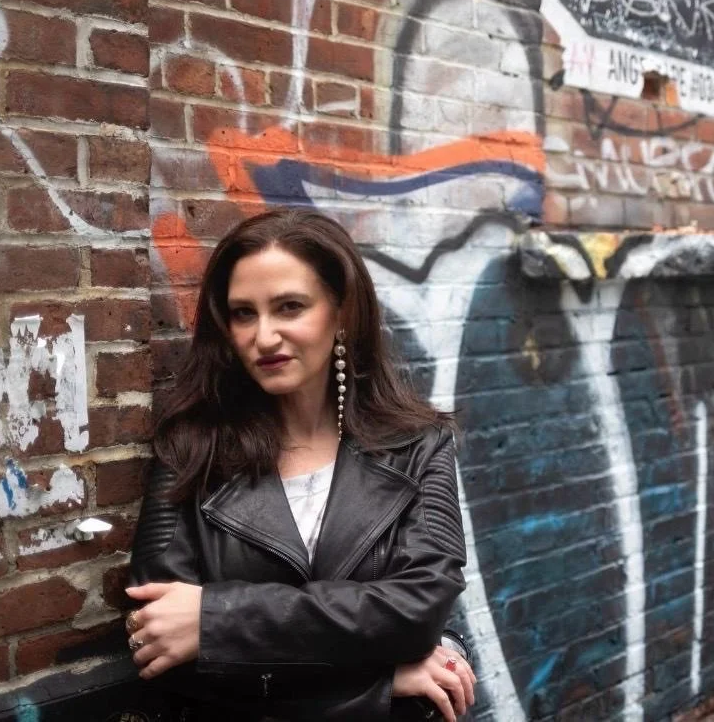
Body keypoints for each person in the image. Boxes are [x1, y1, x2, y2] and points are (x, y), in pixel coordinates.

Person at [124, 207, 475, 720]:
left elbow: (418, 613)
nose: (263, 337)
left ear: (341, 314)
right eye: (243, 313)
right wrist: (378, 684)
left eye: (289, 307)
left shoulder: (417, 446)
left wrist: (215, 619)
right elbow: (160, 644)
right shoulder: (190, 451)